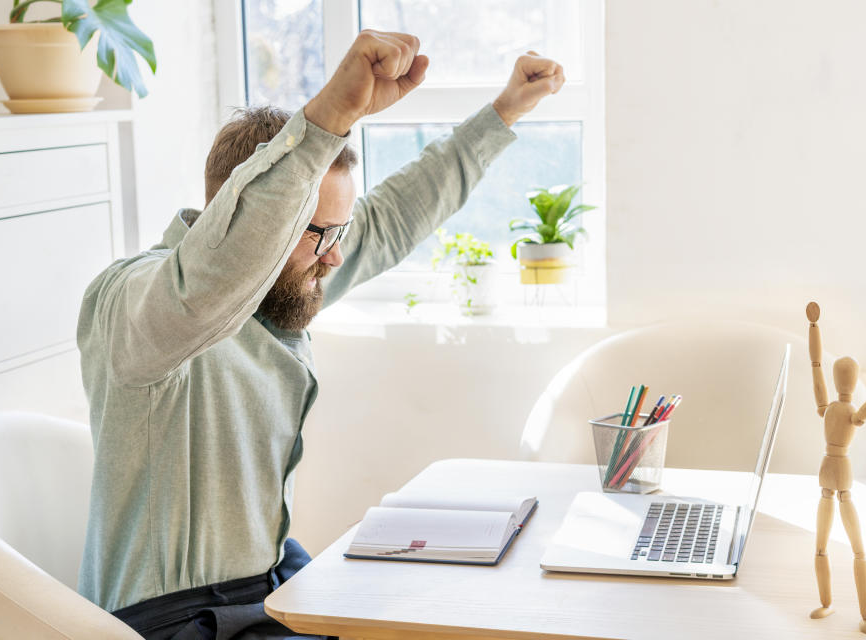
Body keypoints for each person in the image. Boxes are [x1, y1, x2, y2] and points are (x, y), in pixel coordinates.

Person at [75, 30, 564, 639]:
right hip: (172, 620)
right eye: (317, 234)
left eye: (339, 232)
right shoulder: (137, 303)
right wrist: (330, 114)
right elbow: (212, 279)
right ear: (254, 212)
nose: (334, 258)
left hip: (265, 586)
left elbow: (392, 217)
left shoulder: (287, 278)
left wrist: (504, 111)